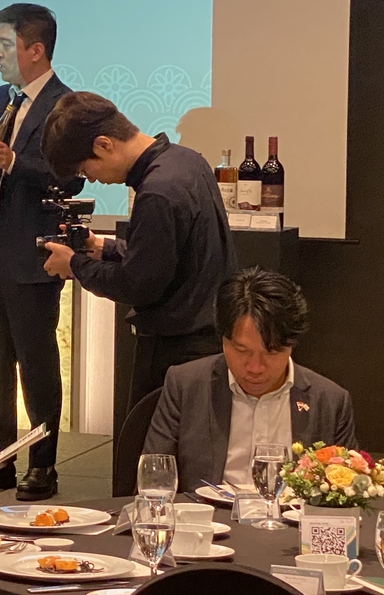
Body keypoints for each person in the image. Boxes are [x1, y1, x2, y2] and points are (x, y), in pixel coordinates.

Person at [40, 91, 237, 411]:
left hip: (174, 350)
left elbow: (138, 284)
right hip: (207, 338)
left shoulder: (157, 191)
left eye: (84, 169)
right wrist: (100, 246)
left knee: (153, 454)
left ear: (103, 144)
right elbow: (170, 255)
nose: (90, 179)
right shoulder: (187, 159)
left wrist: (75, 265)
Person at [0, 3, 83, 501]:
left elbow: (72, 174)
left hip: (32, 255)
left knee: (36, 365)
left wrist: (16, 161)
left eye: (6, 44)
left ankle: (42, 464)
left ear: (36, 50)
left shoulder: (65, 105)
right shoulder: (5, 101)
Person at [142, 267, 356, 493]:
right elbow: (154, 479)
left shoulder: (330, 402)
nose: (255, 367)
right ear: (223, 340)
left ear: (291, 344)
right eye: (242, 350)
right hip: (208, 522)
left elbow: (344, 498)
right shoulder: (185, 385)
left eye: (271, 352)